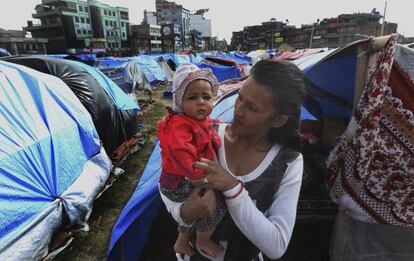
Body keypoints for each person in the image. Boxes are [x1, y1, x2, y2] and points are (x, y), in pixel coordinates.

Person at [160, 59, 307, 260]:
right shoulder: (207, 134)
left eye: (252, 108)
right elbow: (168, 179)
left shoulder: (288, 162)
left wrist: (232, 188)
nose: (237, 110)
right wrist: (183, 212)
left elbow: (277, 245)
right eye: (239, 97)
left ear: (278, 120)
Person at [158, 63, 226, 257]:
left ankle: (181, 243)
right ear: (180, 101)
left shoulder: (200, 120)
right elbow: (180, 152)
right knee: (215, 207)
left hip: (186, 177)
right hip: (180, 180)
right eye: (193, 97)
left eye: (206, 97)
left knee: (194, 210)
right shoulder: (179, 125)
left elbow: (208, 129)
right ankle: (202, 240)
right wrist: (200, 178)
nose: (201, 102)